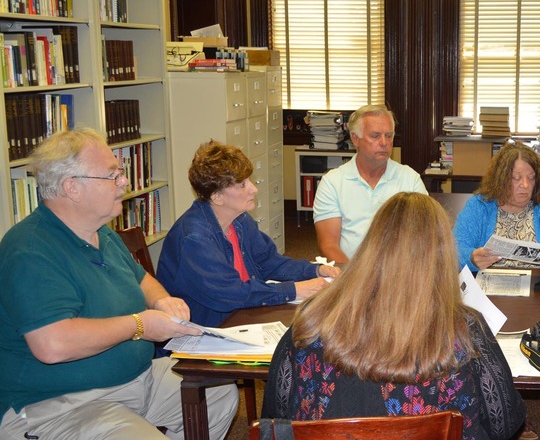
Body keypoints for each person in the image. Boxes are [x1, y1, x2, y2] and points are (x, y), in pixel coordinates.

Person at [0, 129, 238, 440]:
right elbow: (52, 344)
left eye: (120, 173)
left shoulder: (100, 231)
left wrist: (161, 301)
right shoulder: (30, 251)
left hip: (135, 381)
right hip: (62, 403)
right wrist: (140, 325)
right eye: (112, 175)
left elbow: (142, 279)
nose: (124, 182)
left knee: (218, 393)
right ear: (72, 188)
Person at [261, 192, 526, 440]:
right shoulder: (465, 331)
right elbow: (505, 423)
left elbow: (276, 416)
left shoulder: (313, 318)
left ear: (371, 246)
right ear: (442, 257)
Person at [158, 140, 338, 327]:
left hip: (241, 315)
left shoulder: (240, 221)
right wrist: (294, 290)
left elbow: (269, 262)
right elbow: (230, 293)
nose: (254, 188)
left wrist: (314, 270)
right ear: (216, 196)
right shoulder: (195, 239)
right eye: (242, 185)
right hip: (208, 328)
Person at [312, 104, 427, 264]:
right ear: (355, 139)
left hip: (399, 272)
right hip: (349, 272)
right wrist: (356, 279)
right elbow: (329, 245)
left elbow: (423, 237)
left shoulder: (410, 179)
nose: (384, 142)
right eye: (375, 136)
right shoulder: (332, 183)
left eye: (389, 136)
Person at [454, 141, 540, 275]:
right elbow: (453, 252)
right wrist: (471, 258)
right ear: (500, 180)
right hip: (487, 289)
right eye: (516, 178)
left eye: (531, 178)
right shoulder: (479, 206)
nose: (525, 185)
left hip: (538, 289)